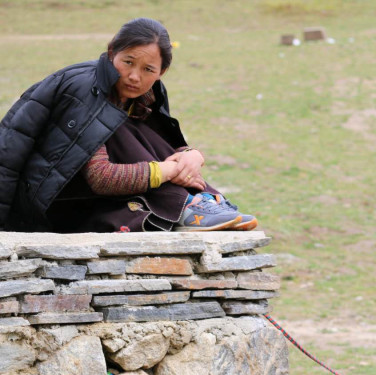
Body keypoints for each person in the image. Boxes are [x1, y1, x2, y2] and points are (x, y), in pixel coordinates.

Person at [0, 17, 257, 233]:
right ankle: (186, 206)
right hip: (48, 204)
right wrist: (168, 171)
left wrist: (192, 157)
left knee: (134, 127)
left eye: (148, 69)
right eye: (128, 62)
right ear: (112, 52)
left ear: (162, 72)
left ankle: (202, 201)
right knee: (115, 124)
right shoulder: (86, 93)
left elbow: (157, 142)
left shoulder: (148, 92)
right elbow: (101, 178)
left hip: (88, 198)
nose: (135, 76)